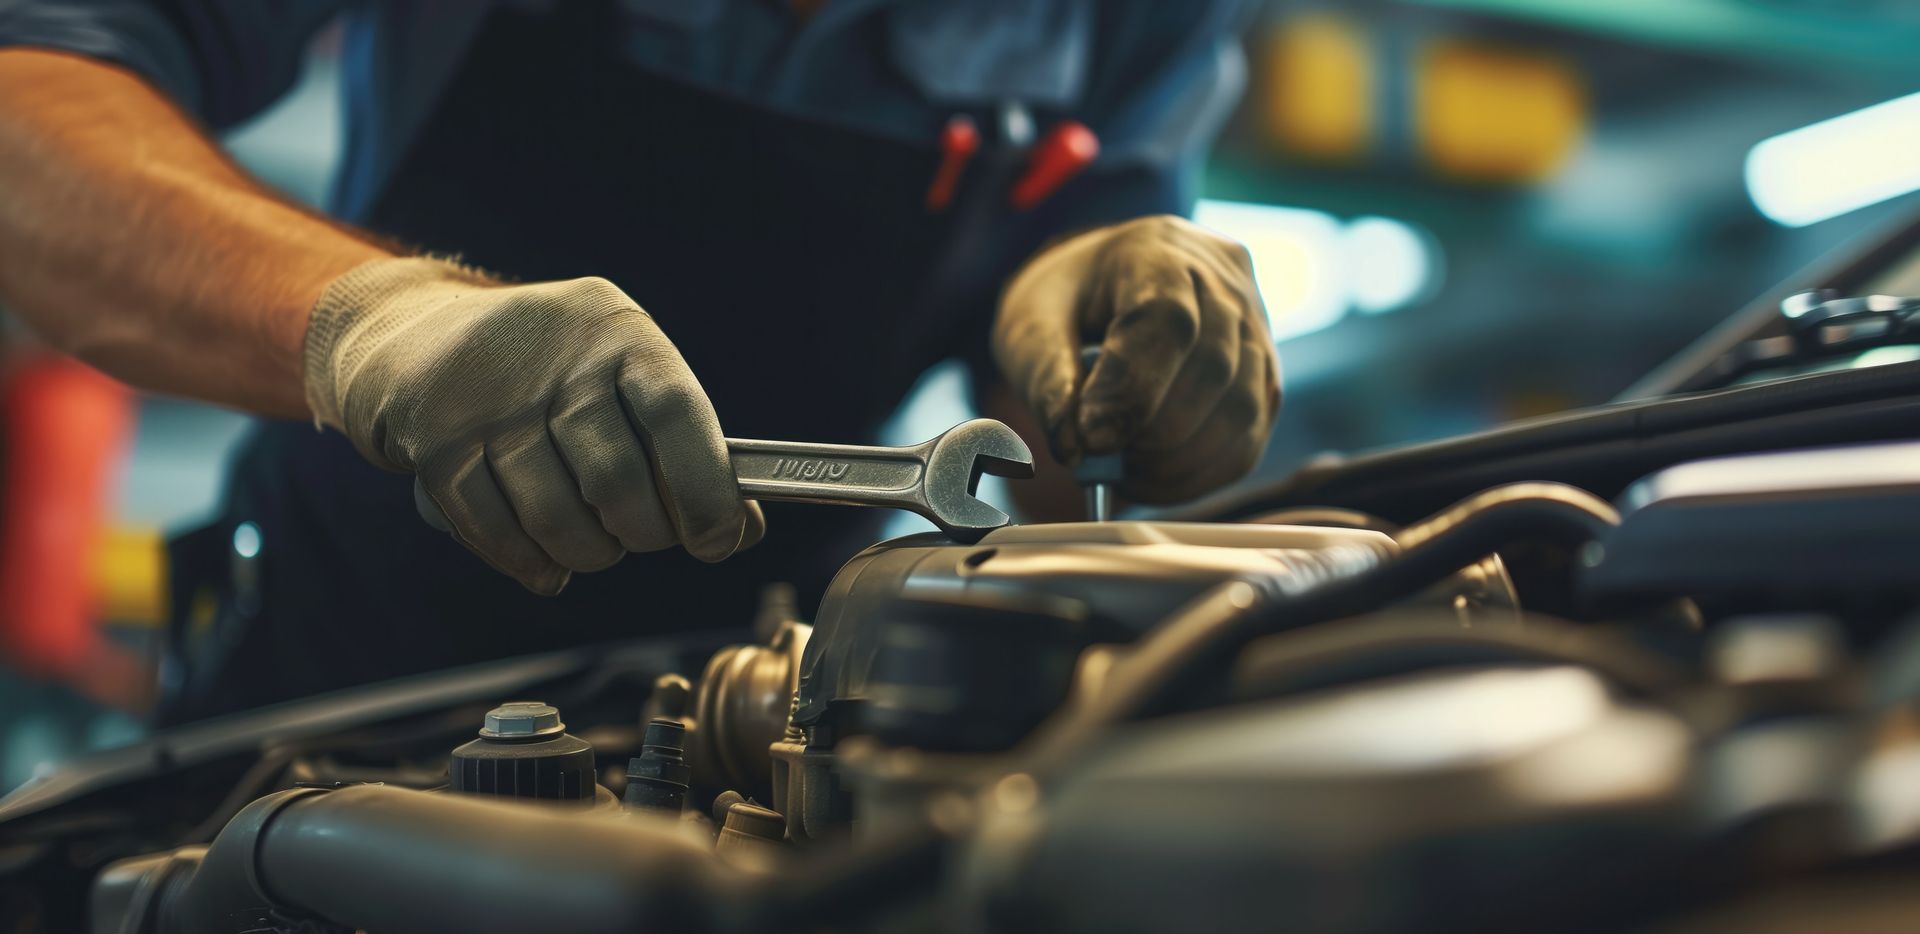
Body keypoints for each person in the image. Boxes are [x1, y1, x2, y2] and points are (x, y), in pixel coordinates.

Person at [0, 0, 1280, 720]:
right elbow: (27, 112)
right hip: (337, 687)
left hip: (784, 707)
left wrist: (1122, 341)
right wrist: (378, 327)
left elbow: (1063, 475)